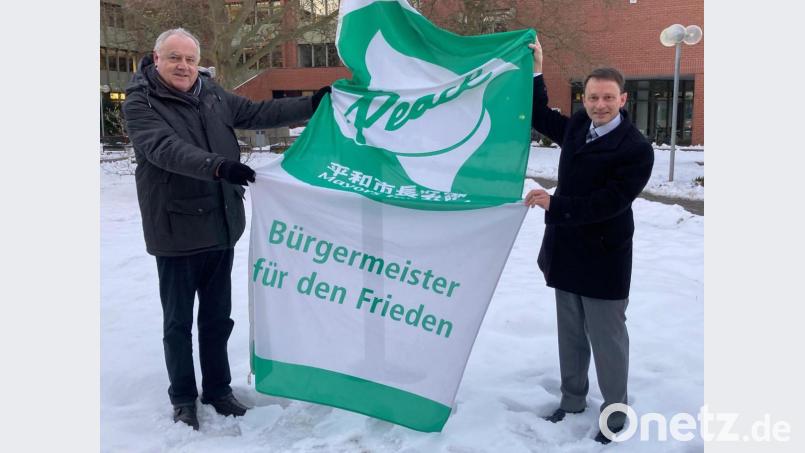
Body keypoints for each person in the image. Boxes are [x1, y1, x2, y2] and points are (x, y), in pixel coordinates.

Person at [122, 28, 331, 430]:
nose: (184, 66)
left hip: (221, 223)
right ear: (156, 58)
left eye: (190, 59)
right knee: (178, 323)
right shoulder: (140, 102)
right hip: (176, 229)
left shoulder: (211, 93)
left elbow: (257, 114)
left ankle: (219, 389)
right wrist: (219, 166)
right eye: (174, 58)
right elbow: (162, 148)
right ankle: (183, 396)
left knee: (218, 318)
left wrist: (312, 105)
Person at [524, 37, 654, 444]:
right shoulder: (580, 125)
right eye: (593, 97)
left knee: (608, 341)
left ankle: (615, 415)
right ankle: (572, 399)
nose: (599, 104)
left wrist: (555, 205)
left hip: (604, 256)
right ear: (585, 97)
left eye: (608, 98)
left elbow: (610, 203)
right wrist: (536, 71)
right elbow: (541, 116)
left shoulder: (636, 148)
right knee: (571, 334)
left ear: (623, 99)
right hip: (566, 250)